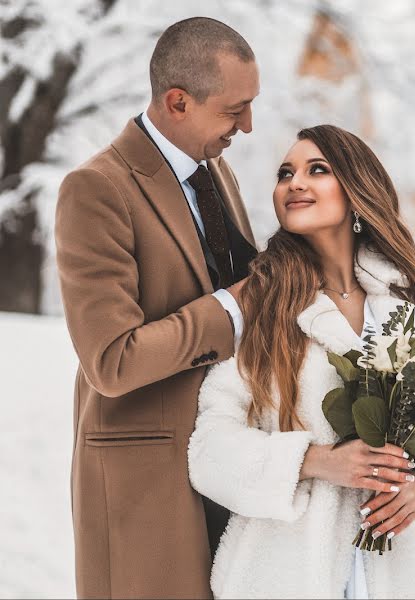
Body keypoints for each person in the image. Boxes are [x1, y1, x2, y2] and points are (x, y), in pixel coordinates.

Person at [187, 124, 415, 598]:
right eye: (285, 173)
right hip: (285, 573)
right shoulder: (261, 306)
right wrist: (314, 461)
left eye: (317, 170)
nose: (294, 183)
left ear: (356, 191)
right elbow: (209, 449)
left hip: (406, 572)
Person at [55, 17, 259, 598]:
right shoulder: (96, 189)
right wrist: (235, 306)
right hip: (144, 486)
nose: (247, 126)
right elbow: (112, 361)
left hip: (226, 467)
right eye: (234, 110)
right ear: (177, 102)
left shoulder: (218, 173)